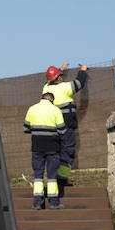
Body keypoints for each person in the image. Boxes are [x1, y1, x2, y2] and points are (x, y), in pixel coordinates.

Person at [43, 62, 88, 191]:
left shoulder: (46, 88)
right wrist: (83, 70)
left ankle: (53, 178)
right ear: (59, 79)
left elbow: (51, 79)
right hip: (66, 125)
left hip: (52, 125)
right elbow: (80, 83)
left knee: (55, 152)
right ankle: (61, 179)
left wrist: (61, 69)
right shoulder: (65, 87)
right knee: (67, 151)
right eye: (60, 75)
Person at [23, 89, 66, 209]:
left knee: (38, 176)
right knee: (52, 176)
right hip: (53, 147)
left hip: (37, 147)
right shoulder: (56, 110)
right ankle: (54, 203)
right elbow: (62, 130)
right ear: (51, 99)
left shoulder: (32, 109)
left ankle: (37, 203)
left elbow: (26, 128)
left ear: (42, 97)